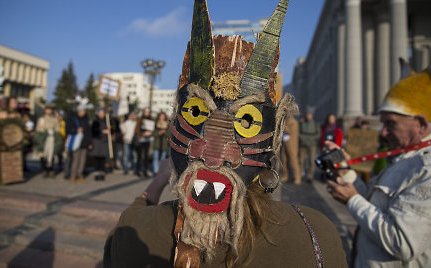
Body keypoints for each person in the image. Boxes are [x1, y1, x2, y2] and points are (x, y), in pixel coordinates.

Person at [104, 1, 347, 267]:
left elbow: (129, 225)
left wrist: (155, 185)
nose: (213, 156)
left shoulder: (135, 233)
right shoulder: (316, 234)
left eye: (246, 120)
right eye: (196, 112)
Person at [326, 60, 431, 267]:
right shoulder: (407, 158)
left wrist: (352, 200)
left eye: (391, 124)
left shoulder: (426, 169)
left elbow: (403, 243)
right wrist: (347, 173)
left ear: (420, 125)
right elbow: (375, 205)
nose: (383, 133)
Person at [67, 103, 92, 183]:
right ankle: (73, 176)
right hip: (76, 143)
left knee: (82, 161)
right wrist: (76, 130)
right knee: (75, 160)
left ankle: (80, 175)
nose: (83, 112)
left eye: (84, 110)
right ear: (78, 111)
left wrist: (89, 143)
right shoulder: (73, 119)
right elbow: (68, 130)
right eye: (81, 110)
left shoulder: (86, 119)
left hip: (84, 143)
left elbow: (88, 132)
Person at [34, 104, 61, 178]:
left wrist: (55, 134)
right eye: (47, 109)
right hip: (43, 139)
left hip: (51, 139)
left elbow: (57, 129)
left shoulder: (54, 119)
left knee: (51, 155)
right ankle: (44, 170)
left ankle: (50, 169)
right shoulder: (42, 119)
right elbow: (38, 129)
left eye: (50, 109)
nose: (49, 111)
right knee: (43, 155)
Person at [299, 111, 320, 182]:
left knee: (311, 161)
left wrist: (312, 139)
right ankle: (301, 174)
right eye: (307, 114)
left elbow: (318, 134)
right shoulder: (302, 123)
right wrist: (303, 138)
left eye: (309, 114)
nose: (308, 116)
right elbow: (299, 132)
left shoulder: (315, 124)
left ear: (312, 116)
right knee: (301, 160)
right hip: (303, 144)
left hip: (312, 144)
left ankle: (310, 176)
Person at [280, 116, 302, 184]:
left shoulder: (294, 122)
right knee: (284, 160)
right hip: (284, 143)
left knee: (294, 161)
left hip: (292, 144)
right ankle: (285, 176)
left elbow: (291, 132)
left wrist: (283, 127)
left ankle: (297, 177)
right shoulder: (284, 121)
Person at [91, 108, 110, 181]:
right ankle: (96, 173)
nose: (101, 114)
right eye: (100, 113)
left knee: (103, 158)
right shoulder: (95, 121)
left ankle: (102, 173)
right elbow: (93, 130)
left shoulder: (107, 121)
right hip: (97, 141)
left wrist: (110, 128)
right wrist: (102, 131)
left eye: (103, 113)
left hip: (104, 142)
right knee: (97, 158)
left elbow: (114, 128)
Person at [135, 108, 153, 177]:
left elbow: (152, 129)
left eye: (148, 112)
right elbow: (137, 129)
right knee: (139, 156)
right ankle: (138, 170)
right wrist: (141, 134)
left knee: (146, 156)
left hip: (147, 139)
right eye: (146, 111)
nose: (147, 113)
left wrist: (149, 133)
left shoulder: (150, 119)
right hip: (141, 138)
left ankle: (145, 170)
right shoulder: (140, 119)